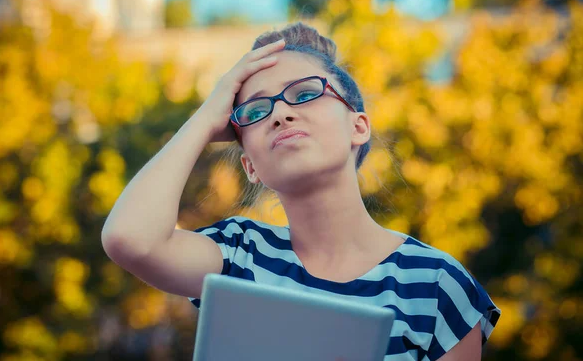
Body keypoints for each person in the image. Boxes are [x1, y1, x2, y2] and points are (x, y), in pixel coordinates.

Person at [101, 22, 501, 361]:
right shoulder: (238, 254)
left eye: (305, 93)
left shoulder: (436, 285)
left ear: (358, 126)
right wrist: (207, 116)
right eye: (255, 112)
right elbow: (130, 239)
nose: (280, 112)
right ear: (250, 166)